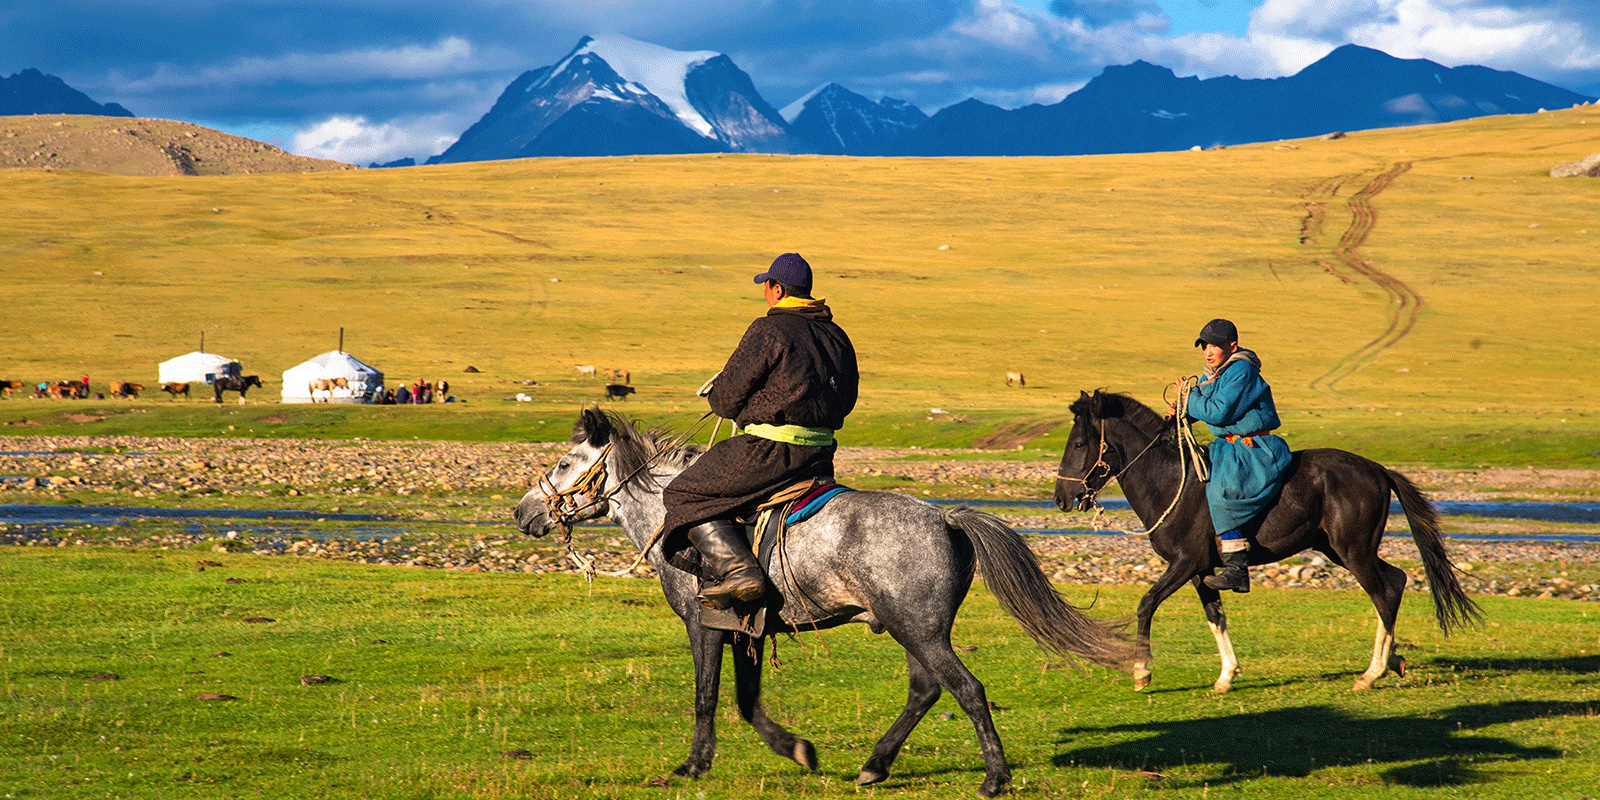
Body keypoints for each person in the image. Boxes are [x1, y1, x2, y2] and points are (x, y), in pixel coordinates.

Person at [661, 252, 859, 610]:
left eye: (766, 286)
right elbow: (846, 402)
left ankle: (739, 573)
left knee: (682, 492)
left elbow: (724, 401)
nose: (765, 292)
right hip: (820, 459)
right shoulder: (837, 335)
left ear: (778, 289)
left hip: (768, 454)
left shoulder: (768, 329)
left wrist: (733, 396)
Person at [1172, 319, 1292, 593]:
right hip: (1227, 446)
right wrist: (1180, 409)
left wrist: (1188, 398)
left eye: (1215, 345)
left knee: (1223, 488)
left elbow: (1217, 412)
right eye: (1204, 346)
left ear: (1232, 346)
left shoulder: (1241, 370)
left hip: (1253, 449)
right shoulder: (1212, 374)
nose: (1208, 351)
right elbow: (1202, 406)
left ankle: (1236, 567)